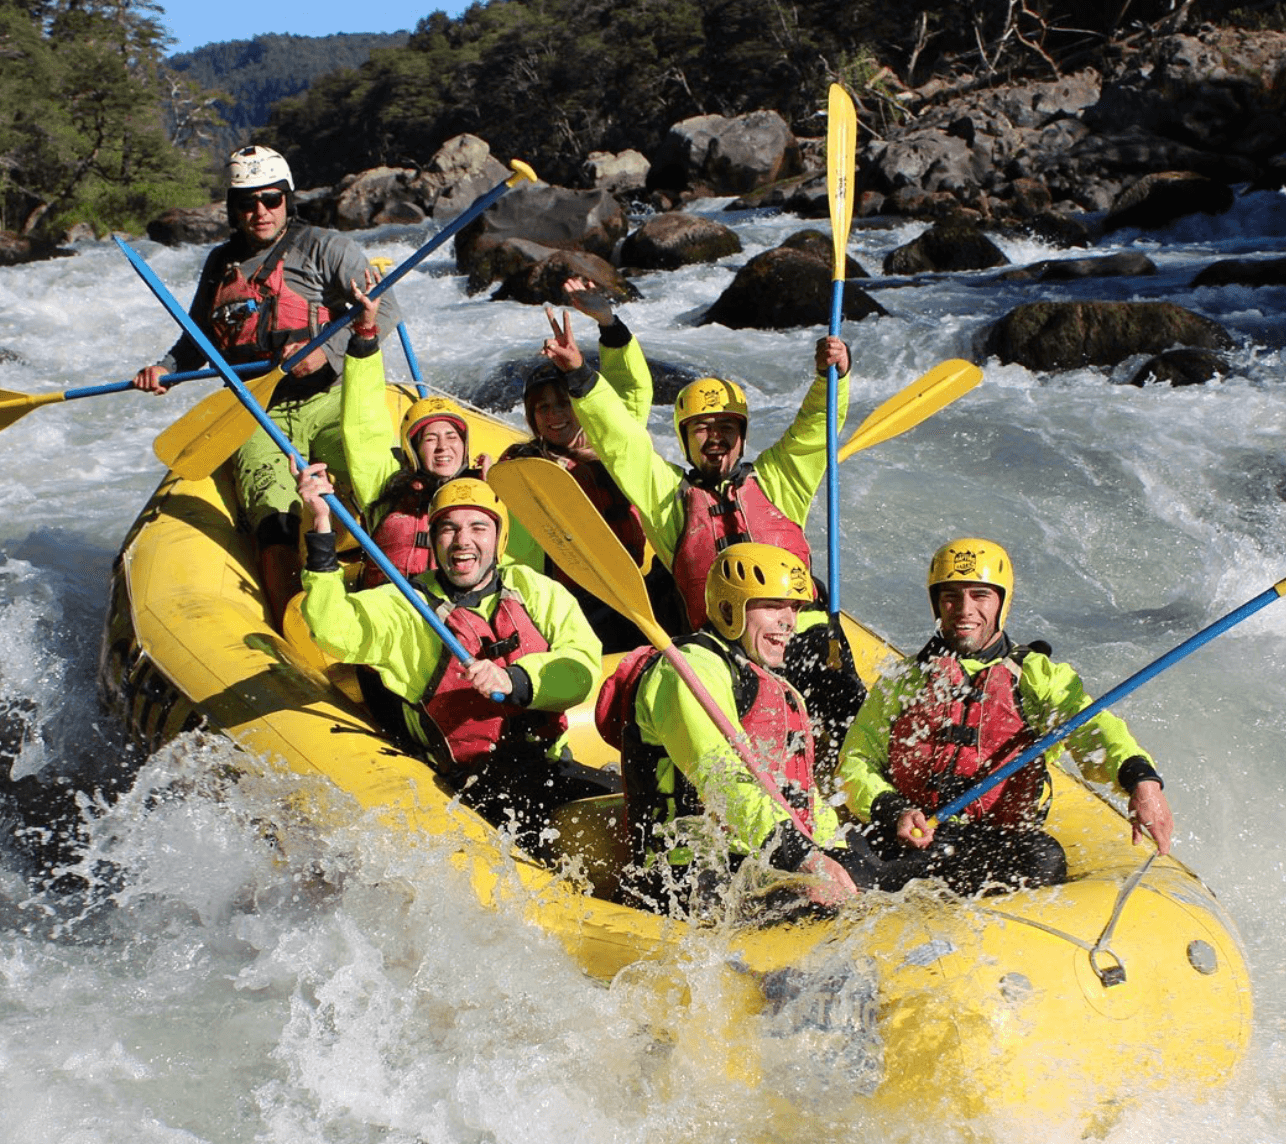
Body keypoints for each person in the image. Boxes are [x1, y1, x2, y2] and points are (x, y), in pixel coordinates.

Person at [541, 310, 865, 772]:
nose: (715, 439)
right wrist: (579, 376)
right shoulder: (669, 499)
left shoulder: (781, 480)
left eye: (726, 428)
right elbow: (623, 444)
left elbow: (815, 428)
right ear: (685, 439)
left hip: (801, 638)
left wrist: (833, 376)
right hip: (725, 656)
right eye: (701, 428)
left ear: (742, 436)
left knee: (840, 700)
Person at [133, 145, 402, 628]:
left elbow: (387, 311)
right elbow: (197, 338)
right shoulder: (220, 264)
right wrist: (164, 368)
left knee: (370, 492)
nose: (260, 211)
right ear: (233, 208)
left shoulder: (326, 248)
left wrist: (328, 350)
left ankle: (385, 608)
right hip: (257, 410)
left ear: (286, 199)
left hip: (331, 398)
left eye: (271, 199)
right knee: (273, 517)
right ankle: (294, 626)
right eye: (247, 202)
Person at [836, 537, 1175, 896]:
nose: (964, 609)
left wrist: (1142, 781)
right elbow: (856, 761)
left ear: (1002, 602)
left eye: (980, 596)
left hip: (991, 847)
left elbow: (1095, 730)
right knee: (838, 871)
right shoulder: (904, 681)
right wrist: (894, 811)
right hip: (908, 837)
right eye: (951, 596)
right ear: (936, 603)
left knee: (1044, 857)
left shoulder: (1036, 677)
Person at [295, 467, 612, 850]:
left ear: (499, 537)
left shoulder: (533, 589)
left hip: (552, 765)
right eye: (449, 528)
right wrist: (321, 526)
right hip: (470, 790)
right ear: (434, 538)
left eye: (479, 527)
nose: (463, 540)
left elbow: (582, 665)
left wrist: (515, 679)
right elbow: (334, 629)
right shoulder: (408, 606)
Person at [597, 542, 865, 914]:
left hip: (760, 860)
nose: (788, 620)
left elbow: (801, 792)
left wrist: (836, 850)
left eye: (795, 607)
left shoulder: (773, 684)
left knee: (881, 875)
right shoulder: (687, 672)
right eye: (772, 606)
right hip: (686, 874)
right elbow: (719, 777)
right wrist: (802, 856)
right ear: (728, 609)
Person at [499, 279, 679, 650]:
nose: (554, 416)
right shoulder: (525, 465)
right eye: (542, 408)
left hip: (633, 588)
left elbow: (632, 389)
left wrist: (608, 324)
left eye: (563, 404)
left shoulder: (613, 443)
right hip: (570, 601)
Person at [339, 271, 483, 590]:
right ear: (413, 450)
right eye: (430, 439)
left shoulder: (485, 491)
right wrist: (365, 335)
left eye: (451, 437)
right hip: (389, 609)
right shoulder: (386, 487)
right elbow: (363, 424)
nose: (443, 447)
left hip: (451, 613)